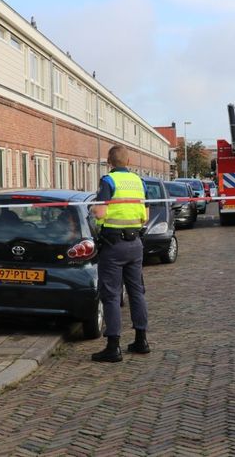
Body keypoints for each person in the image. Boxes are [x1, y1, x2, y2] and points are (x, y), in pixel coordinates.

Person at [90, 145, 150, 362]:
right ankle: (141, 340)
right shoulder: (139, 182)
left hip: (113, 245)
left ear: (109, 161)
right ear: (129, 161)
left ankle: (113, 347)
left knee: (112, 295)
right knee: (137, 292)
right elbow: (146, 213)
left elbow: (101, 211)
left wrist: (93, 211)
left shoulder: (108, 181)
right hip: (135, 244)